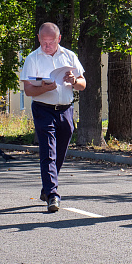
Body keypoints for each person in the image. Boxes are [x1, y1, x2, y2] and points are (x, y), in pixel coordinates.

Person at [19, 22, 85, 213]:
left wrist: (74, 81)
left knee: (60, 151)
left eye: (51, 42)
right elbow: (29, 90)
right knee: (48, 150)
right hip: (43, 109)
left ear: (59, 39)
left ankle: (47, 188)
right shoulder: (32, 58)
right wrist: (43, 88)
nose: (47, 46)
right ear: (38, 38)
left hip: (65, 109)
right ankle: (53, 195)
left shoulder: (69, 56)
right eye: (44, 42)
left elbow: (83, 84)